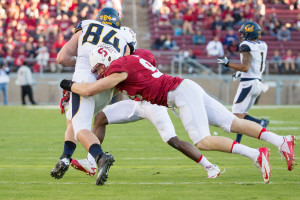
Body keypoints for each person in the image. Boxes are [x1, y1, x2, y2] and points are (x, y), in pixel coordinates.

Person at [60, 45, 295, 184]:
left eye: (99, 67)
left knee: (203, 140)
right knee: (232, 123)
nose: (99, 72)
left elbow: (90, 89)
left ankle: (256, 154)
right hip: (183, 88)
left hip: (178, 94)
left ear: (106, 60)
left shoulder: (117, 68)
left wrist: (69, 85)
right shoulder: (129, 61)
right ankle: (280, 141)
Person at [70, 49, 221, 179]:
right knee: (101, 117)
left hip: (153, 104)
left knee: (172, 140)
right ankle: (91, 162)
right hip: (136, 103)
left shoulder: (136, 57)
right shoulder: (119, 64)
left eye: (100, 67)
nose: (100, 72)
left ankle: (209, 166)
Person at [50, 7, 129, 186]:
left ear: (99, 18)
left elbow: (62, 58)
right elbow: (124, 71)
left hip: (84, 82)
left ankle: (100, 157)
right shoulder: (123, 38)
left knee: (81, 127)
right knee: (73, 118)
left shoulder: (86, 27)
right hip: (106, 89)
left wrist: (80, 61)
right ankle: (65, 158)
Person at [217, 22, 270, 143]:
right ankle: (238, 141)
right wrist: (241, 73)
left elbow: (246, 67)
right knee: (241, 114)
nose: (241, 36)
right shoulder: (263, 45)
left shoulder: (246, 45)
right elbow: (254, 65)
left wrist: (227, 63)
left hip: (248, 84)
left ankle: (260, 122)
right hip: (257, 81)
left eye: (243, 33)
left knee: (236, 115)